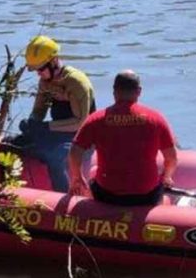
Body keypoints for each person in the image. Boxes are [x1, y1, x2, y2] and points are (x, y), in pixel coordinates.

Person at [67, 70, 177, 206]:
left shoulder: (96, 119)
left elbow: (74, 152)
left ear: (114, 92)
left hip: (107, 194)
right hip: (146, 195)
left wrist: (77, 177)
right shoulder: (156, 118)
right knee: (165, 195)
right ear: (139, 91)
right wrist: (166, 177)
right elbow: (171, 157)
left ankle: (96, 214)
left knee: (93, 174)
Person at [16, 35, 95, 192]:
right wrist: (31, 124)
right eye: (36, 70)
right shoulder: (45, 83)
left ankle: (64, 196)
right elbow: (39, 111)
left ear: (53, 61)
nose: (38, 73)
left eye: (40, 69)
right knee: (13, 143)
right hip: (58, 134)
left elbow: (80, 122)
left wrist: (46, 127)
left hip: (82, 138)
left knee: (55, 157)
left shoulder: (76, 83)